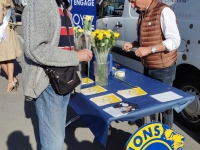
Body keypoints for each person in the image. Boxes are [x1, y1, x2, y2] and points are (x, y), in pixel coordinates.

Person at [22, 0, 92, 149]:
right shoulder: (41, 3)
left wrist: (80, 43)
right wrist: (76, 57)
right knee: (53, 144)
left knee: (58, 137)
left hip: (63, 79)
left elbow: (61, 44)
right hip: (48, 83)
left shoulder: (64, 6)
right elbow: (35, 49)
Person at [122, 0, 180, 128]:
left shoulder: (163, 11)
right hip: (149, 65)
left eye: (133, 1)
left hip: (164, 68)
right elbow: (145, 39)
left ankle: (167, 137)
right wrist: (133, 44)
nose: (131, 6)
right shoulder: (143, 13)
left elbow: (175, 41)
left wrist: (149, 50)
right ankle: (153, 132)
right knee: (151, 101)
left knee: (166, 105)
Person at [0, 0, 22, 92]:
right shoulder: (7, 1)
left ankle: (11, 81)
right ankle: (12, 80)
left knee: (6, 58)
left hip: (4, 32)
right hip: (6, 31)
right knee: (6, 58)